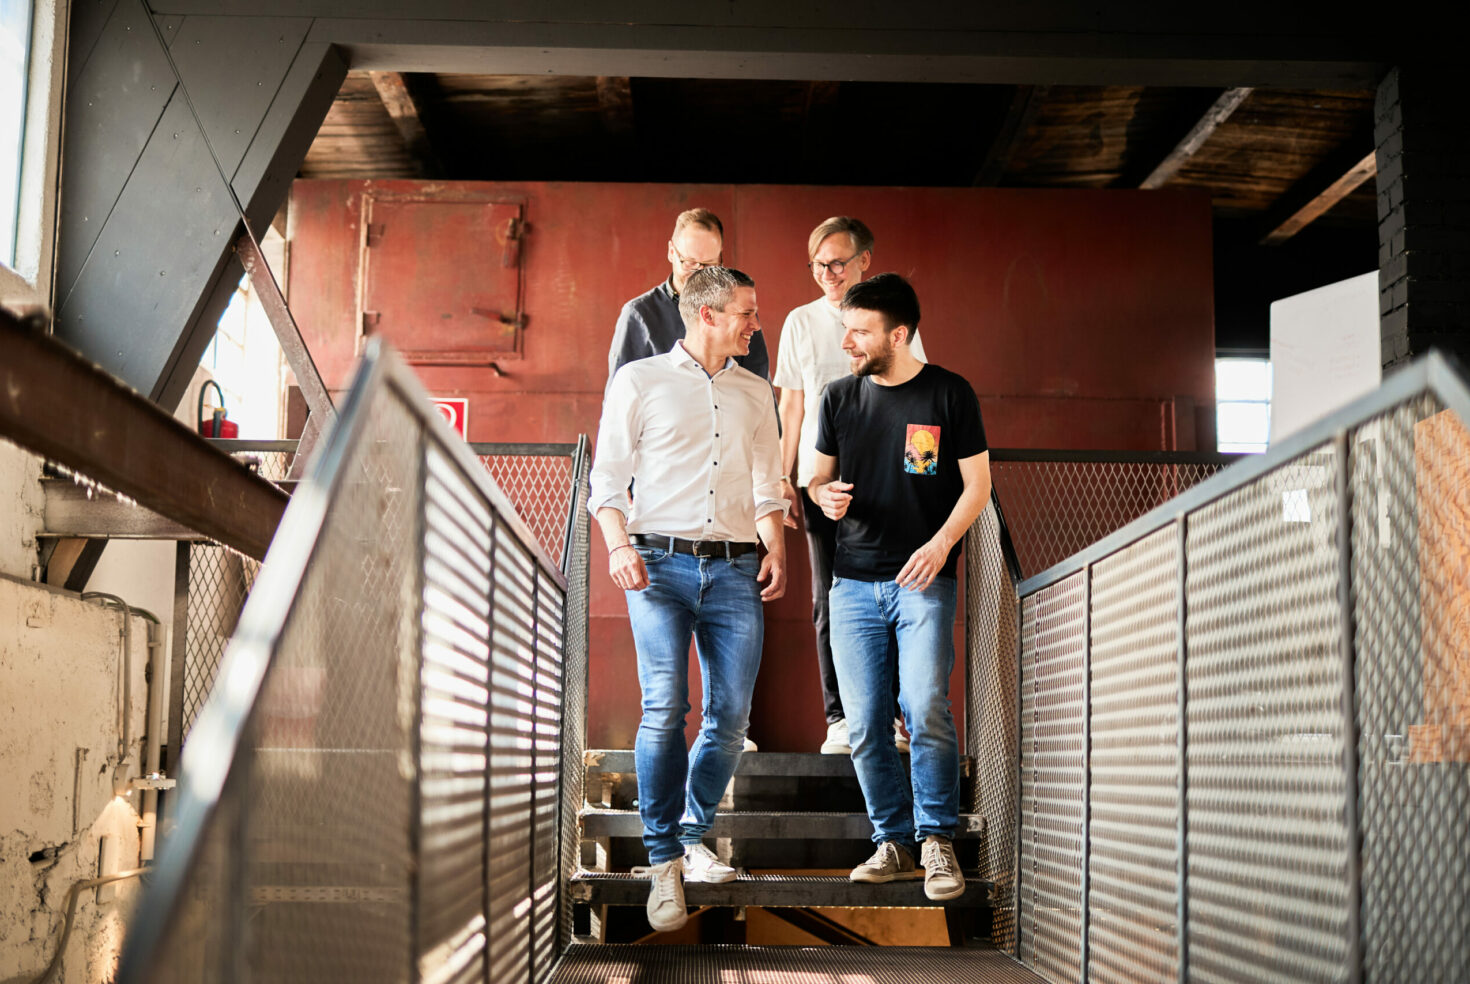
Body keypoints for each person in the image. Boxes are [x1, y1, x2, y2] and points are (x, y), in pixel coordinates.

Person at [589, 266, 788, 932]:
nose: (755, 324)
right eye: (746, 313)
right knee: (665, 704)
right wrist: (618, 546)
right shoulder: (639, 380)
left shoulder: (755, 392)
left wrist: (776, 548)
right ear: (707, 314)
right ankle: (662, 860)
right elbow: (607, 481)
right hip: (656, 566)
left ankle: (689, 835)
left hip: (735, 569)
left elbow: (767, 486)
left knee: (731, 716)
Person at [807, 273, 991, 902]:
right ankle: (893, 841)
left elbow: (977, 486)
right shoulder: (837, 397)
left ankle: (936, 839)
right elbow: (816, 479)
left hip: (923, 581)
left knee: (925, 705)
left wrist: (941, 546)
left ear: (899, 334)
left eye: (859, 331)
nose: (847, 343)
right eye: (846, 330)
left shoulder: (949, 393)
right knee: (864, 724)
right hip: (852, 585)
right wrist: (822, 496)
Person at [772, 217, 927, 755]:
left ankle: (893, 718)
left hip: (889, 483)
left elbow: (918, 397)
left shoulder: (892, 317)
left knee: (897, 597)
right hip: (821, 482)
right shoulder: (800, 321)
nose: (828, 273)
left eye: (838, 262)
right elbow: (792, 407)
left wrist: (919, 476)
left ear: (865, 260)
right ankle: (840, 718)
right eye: (818, 265)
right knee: (829, 600)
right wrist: (784, 478)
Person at [608, 208, 770, 382]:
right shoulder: (639, 314)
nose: (699, 274)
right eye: (690, 262)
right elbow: (620, 391)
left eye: (709, 264)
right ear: (672, 252)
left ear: (720, 257)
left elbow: (759, 385)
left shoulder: (740, 310)